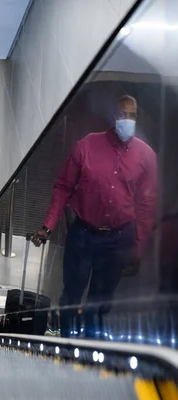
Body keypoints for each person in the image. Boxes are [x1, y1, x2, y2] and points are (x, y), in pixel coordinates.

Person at [32, 95, 157, 338]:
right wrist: (48, 226)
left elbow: (146, 205)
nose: (127, 120)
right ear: (113, 117)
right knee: (71, 293)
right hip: (83, 234)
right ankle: (67, 342)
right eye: (123, 114)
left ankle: (90, 345)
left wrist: (137, 248)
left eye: (132, 116)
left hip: (119, 239)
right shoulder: (87, 146)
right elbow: (63, 187)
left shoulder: (146, 157)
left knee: (101, 298)